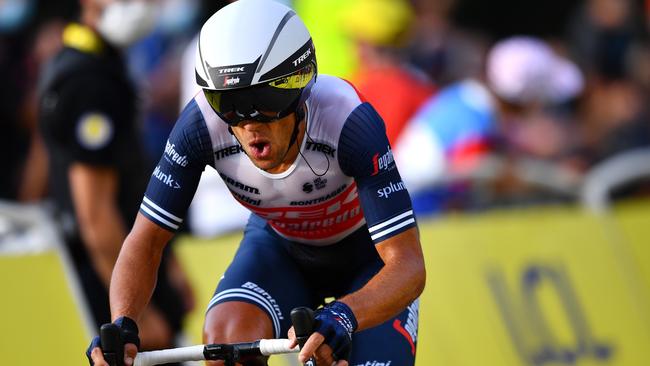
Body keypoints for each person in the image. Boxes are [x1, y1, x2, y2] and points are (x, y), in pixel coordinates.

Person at [87, 0, 426, 365]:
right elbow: (146, 239)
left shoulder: (348, 121)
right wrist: (122, 324)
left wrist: (345, 314)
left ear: (300, 86)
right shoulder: (199, 127)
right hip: (282, 251)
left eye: (264, 99)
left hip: (367, 259)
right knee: (227, 344)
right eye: (228, 103)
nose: (249, 124)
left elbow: (408, 266)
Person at [38, 0, 193, 355]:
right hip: (122, 290)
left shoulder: (87, 63)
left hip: (137, 271)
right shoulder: (88, 79)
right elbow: (95, 215)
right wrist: (133, 315)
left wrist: (167, 265)